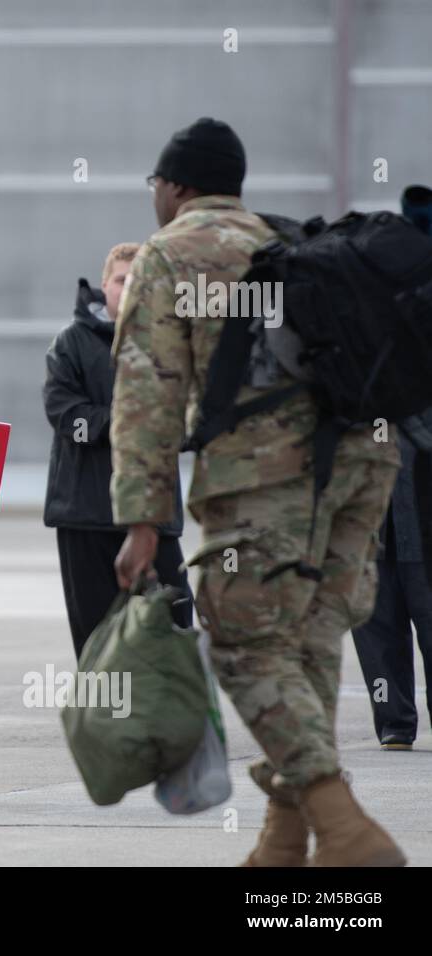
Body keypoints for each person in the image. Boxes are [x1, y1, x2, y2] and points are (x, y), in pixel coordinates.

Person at [111, 117, 405, 866]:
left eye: (157, 185)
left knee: (244, 646)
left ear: (175, 187)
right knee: (305, 646)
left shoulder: (171, 254)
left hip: (269, 477)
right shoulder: (285, 242)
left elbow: (146, 396)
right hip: (365, 465)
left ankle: (345, 830)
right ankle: (285, 840)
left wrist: (143, 520)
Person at [43, 243, 191, 658]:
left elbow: (189, 419)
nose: (130, 289)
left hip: (154, 511)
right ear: (104, 284)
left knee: (177, 624)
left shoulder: (170, 341)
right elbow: (65, 413)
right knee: (96, 642)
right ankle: (106, 721)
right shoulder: (70, 344)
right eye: (122, 280)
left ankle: (170, 721)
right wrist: (132, 423)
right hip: (84, 515)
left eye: (139, 281)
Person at [352, 405, 432, 750]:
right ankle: (394, 722)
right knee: (376, 629)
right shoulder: (353, 378)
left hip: (422, 527)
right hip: (369, 533)